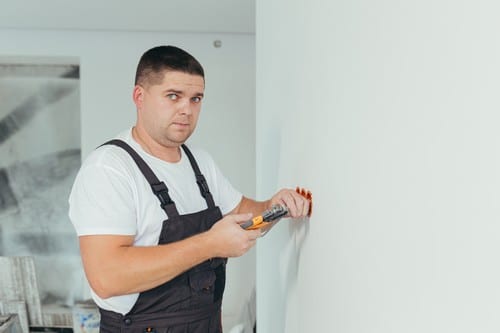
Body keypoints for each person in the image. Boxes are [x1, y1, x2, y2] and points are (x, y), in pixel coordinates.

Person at [68, 45, 310, 333]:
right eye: (173, 96)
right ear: (139, 97)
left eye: (196, 99)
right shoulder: (110, 168)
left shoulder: (200, 162)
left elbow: (244, 215)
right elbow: (106, 278)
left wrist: (274, 206)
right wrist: (210, 243)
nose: (187, 109)